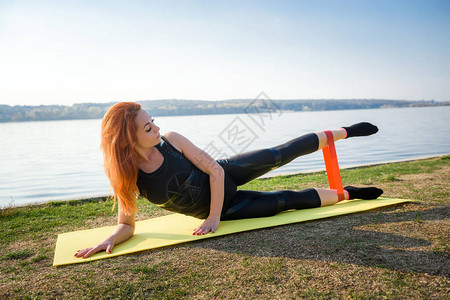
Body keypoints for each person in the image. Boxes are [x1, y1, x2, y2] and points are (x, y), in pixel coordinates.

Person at [75, 102, 383, 259]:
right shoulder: (127, 177)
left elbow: (216, 171)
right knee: (287, 201)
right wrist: (110, 238)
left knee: (280, 153)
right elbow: (127, 224)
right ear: (128, 138)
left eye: (153, 122)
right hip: (229, 208)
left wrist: (212, 218)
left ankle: (345, 131)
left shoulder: (171, 140)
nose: (156, 128)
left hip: (224, 175)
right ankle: (349, 193)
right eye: (147, 128)